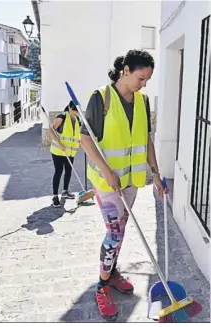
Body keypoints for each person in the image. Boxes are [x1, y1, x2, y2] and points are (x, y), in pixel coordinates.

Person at [80, 50, 168, 321]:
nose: (143, 85)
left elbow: (147, 140)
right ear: (126, 70)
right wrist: (107, 171)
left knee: (121, 229)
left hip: (131, 182)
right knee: (115, 233)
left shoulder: (142, 102)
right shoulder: (101, 98)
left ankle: (112, 270)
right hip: (108, 183)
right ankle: (102, 286)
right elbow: (86, 140)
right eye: (141, 78)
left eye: (147, 80)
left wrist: (155, 173)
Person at [49, 100, 81, 207]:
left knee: (68, 171)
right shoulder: (62, 117)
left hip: (70, 152)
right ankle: (55, 196)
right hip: (58, 151)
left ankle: (65, 191)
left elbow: (76, 136)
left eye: (77, 111)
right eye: (73, 110)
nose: (75, 112)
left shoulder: (77, 120)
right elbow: (51, 131)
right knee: (58, 172)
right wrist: (59, 144)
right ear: (69, 107)